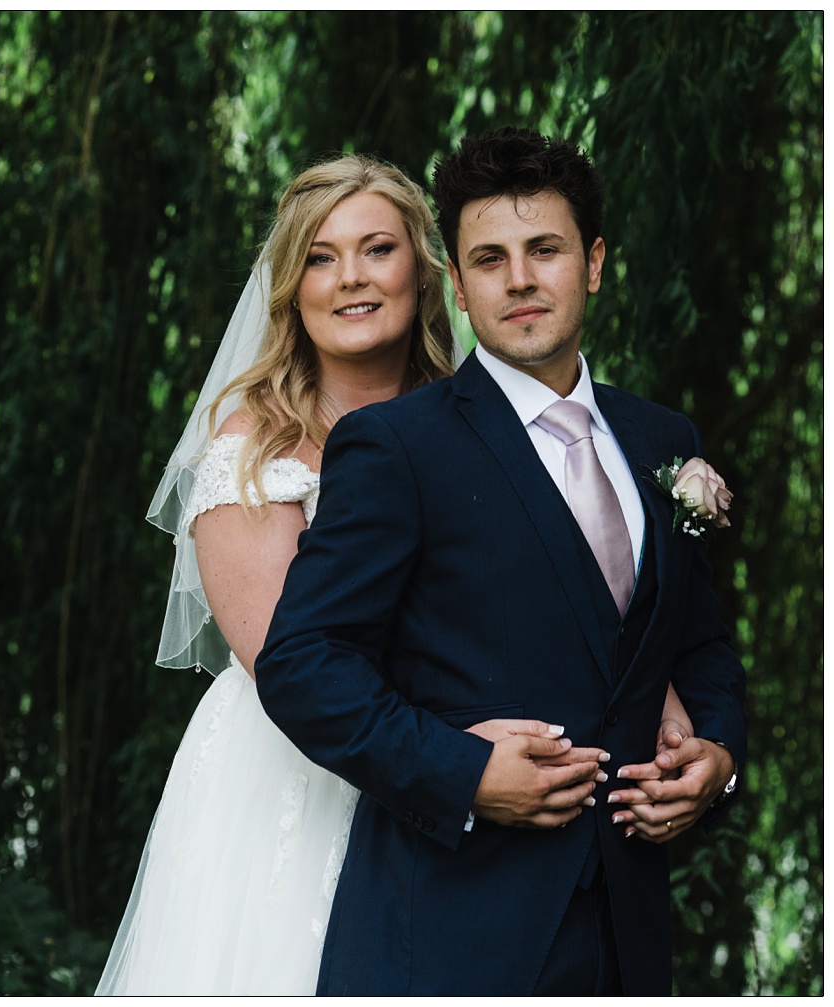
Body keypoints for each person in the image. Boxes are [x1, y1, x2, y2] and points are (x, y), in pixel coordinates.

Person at [95, 153, 696, 995]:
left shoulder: (486, 416)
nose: (351, 279)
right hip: (298, 785)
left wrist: (643, 681)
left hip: (489, 815)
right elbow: (297, 664)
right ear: (289, 285)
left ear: (429, 272)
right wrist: (458, 757)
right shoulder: (251, 448)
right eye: (319, 256)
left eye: (377, 249)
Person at [256, 128, 746, 995]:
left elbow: (697, 646)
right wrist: (463, 770)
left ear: (593, 263)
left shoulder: (663, 441)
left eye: (545, 249)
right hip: (450, 932)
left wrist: (716, 753)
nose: (520, 279)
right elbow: (302, 663)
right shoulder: (397, 447)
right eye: (490, 258)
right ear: (458, 284)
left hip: (628, 938)